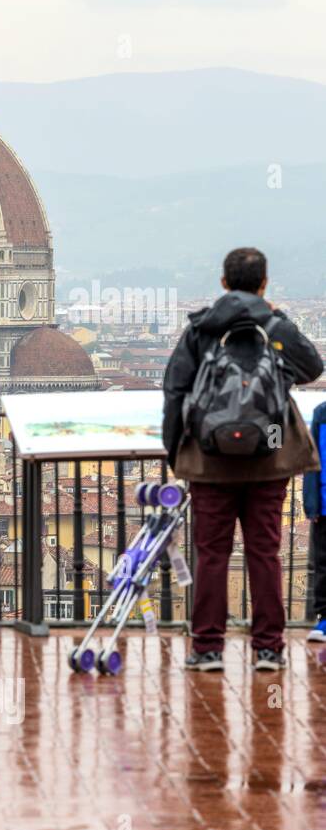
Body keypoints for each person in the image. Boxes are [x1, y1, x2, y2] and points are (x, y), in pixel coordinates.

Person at [162, 247, 322, 672]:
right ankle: (268, 648)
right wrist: (277, 320)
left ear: (224, 282)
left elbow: (175, 390)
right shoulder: (275, 328)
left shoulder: (202, 330)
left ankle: (208, 648)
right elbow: (312, 368)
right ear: (265, 283)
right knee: (264, 552)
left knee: (211, 553)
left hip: (209, 460)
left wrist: (176, 450)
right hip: (270, 455)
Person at [300, 398, 326, 642]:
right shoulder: (321, 412)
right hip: (325, 506)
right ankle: (324, 618)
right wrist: (312, 504)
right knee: (323, 563)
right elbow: (312, 459)